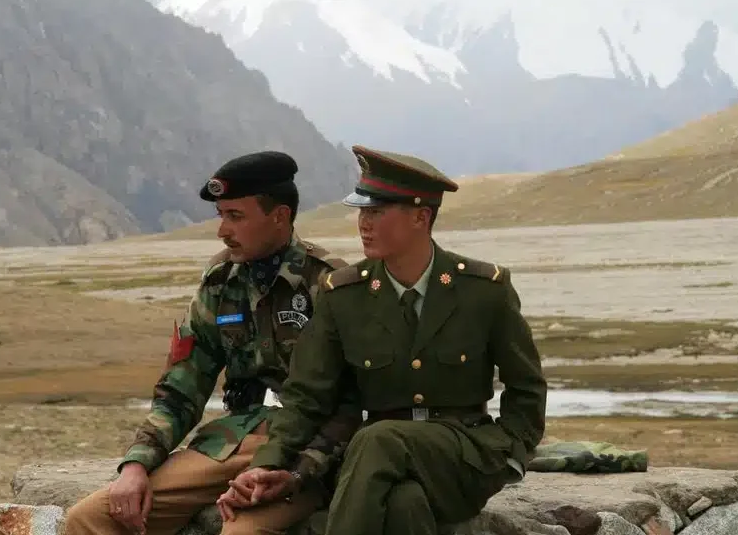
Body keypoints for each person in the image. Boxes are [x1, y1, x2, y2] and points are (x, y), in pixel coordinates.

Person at [234, 145, 548, 535]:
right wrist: (268, 462)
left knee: (378, 439)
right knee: (404, 505)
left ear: (421, 216)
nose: (363, 224)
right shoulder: (343, 295)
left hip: (463, 455)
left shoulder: (484, 290)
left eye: (377, 212)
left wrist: (512, 453)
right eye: (362, 212)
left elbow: (527, 386)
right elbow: (306, 396)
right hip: (377, 463)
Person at [64, 151, 362, 535]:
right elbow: (181, 388)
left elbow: (354, 401)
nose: (222, 230)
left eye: (235, 216)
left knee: (242, 532)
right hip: (232, 442)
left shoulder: (327, 284)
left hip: (302, 455)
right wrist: (137, 463)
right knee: (91, 518)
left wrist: (301, 468)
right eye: (221, 215)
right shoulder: (221, 283)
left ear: (280, 216)